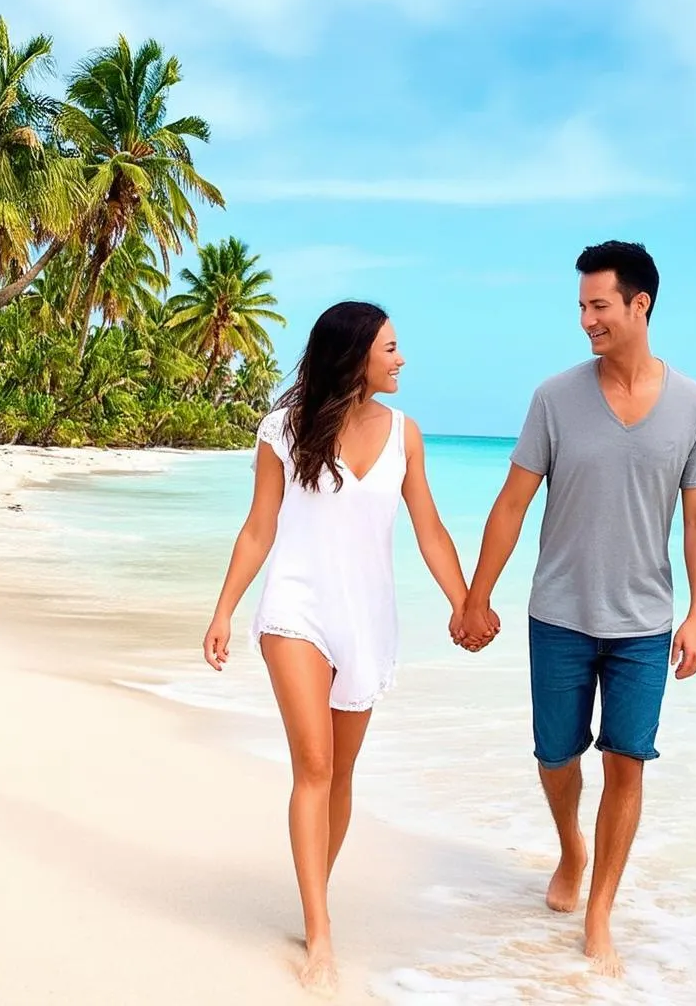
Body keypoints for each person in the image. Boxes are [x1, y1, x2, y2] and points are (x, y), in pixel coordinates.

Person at [202, 301, 496, 992]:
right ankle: (322, 938)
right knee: (313, 764)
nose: (401, 359)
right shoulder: (284, 428)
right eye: (390, 348)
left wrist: (465, 603)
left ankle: (315, 903)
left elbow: (429, 529)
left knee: (340, 772)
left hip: (366, 619)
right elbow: (258, 529)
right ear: (356, 354)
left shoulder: (405, 435)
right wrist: (223, 611)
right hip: (295, 610)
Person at [458, 241, 696, 977]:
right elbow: (512, 504)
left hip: (644, 622)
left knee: (628, 762)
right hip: (560, 613)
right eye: (581, 306)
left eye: (599, 306)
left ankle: (601, 908)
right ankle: (571, 847)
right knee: (556, 756)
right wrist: (477, 594)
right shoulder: (555, 397)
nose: (586, 321)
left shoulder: (695, 407)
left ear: (640, 306)